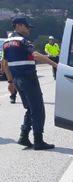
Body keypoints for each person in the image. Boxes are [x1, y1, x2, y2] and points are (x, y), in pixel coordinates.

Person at [2, 16, 57, 150]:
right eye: (27, 27)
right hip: (29, 78)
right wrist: (56, 65)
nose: (28, 30)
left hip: (17, 80)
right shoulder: (22, 40)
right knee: (38, 110)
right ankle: (38, 141)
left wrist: (10, 81)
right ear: (19, 25)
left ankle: (24, 136)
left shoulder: (6, 43)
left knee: (30, 108)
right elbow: (36, 55)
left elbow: (5, 64)